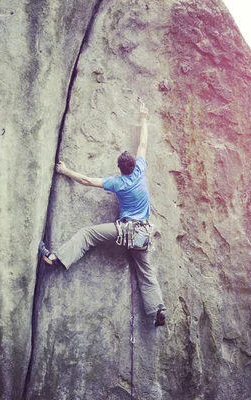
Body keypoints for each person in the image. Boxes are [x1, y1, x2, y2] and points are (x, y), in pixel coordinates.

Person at [39, 99, 166, 326]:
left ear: (119, 169)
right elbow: (143, 145)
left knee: (87, 234)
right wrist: (144, 117)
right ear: (134, 164)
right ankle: (157, 309)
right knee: (146, 271)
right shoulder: (140, 170)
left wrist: (65, 170)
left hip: (125, 230)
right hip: (143, 234)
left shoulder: (117, 183)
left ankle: (55, 257)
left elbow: (87, 181)